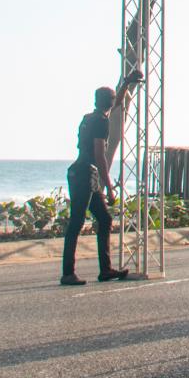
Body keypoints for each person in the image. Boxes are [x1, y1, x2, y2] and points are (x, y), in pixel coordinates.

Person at [63, 70, 141, 286]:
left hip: (82, 173)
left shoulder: (91, 117)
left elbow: (115, 107)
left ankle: (105, 270)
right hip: (85, 174)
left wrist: (126, 83)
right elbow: (100, 155)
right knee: (76, 222)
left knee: (105, 220)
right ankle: (67, 273)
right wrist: (109, 186)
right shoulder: (101, 123)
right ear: (110, 102)